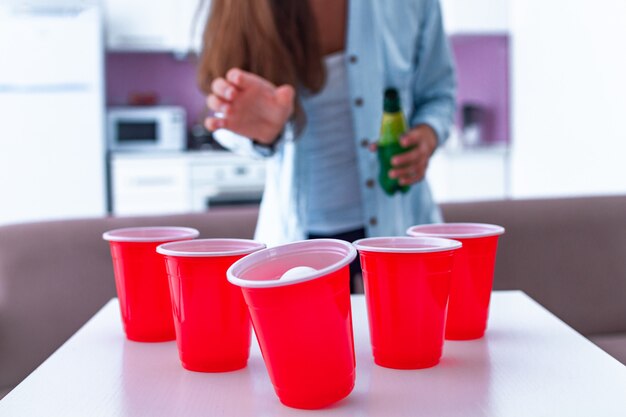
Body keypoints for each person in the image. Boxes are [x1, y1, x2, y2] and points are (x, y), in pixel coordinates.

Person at [198, 0, 456, 291]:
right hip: (296, 239)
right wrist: (259, 132)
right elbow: (220, 115)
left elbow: (439, 94)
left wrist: (428, 134)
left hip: (398, 227)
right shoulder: (241, 7)